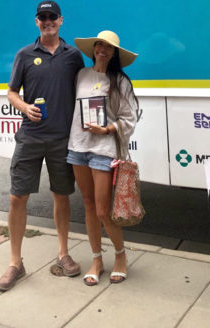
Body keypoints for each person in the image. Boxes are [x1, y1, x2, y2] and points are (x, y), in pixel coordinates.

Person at [0, 0, 84, 292]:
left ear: (61, 20)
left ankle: (63, 254)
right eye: (42, 17)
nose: (47, 21)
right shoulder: (24, 55)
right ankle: (15, 263)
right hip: (31, 137)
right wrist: (24, 107)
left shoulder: (73, 56)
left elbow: (84, 91)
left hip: (62, 139)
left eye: (52, 17)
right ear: (37, 22)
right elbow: (10, 92)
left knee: (61, 196)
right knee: (16, 198)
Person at [67, 30, 139, 286]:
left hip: (102, 150)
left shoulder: (119, 81)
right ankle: (96, 259)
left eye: (108, 47)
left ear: (114, 53)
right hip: (78, 147)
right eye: (99, 45)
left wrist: (107, 129)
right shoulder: (81, 75)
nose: (102, 50)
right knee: (87, 205)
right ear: (94, 48)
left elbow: (130, 117)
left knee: (102, 210)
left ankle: (120, 256)